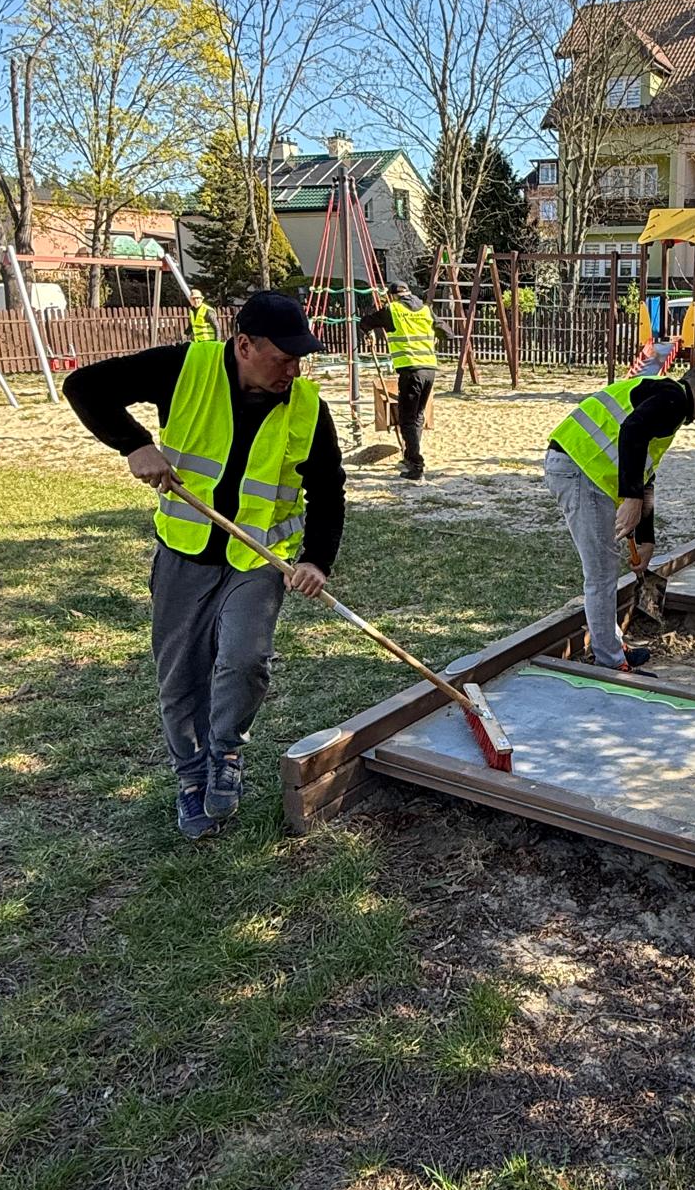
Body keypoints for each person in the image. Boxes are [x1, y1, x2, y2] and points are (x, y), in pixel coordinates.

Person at [64, 292, 346, 838]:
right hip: (184, 555)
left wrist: (317, 559)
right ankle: (192, 779)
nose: (292, 370)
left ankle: (226, 753)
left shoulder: (308, 406)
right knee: (181, 678)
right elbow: (84, 387)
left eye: (298, 360)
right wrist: (134, 444)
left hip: (257, 559)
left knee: (245, 660)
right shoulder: (184, 369)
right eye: (282, 358)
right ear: (244, 345)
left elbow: (327, 487)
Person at [546, 366, 695, 673]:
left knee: (605, 568)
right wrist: (631, 497)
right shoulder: (673, 401)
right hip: (579, 468)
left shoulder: (665, 399)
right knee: (601, 570)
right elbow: (631, 431)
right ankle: (610, 660)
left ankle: (611, 644)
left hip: (583, 467)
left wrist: (646, 539)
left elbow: (645, 474)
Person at [358, 283, 449, 482]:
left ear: (392, 296)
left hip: (410, 370)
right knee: (417, 416)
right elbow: (447, 332)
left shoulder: (393, 310)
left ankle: (416, 465)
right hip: (429, 369)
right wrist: (433, 338)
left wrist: (368, 333)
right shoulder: (425, 310)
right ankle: (411, 457)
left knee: (407, 418)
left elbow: (365, 322)